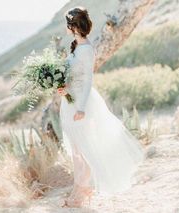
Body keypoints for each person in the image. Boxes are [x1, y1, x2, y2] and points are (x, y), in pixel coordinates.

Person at [58, 6, 145, 208]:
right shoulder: (76, 46)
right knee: (77, 149)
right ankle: (80, 190)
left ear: (73, 26)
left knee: (85, 147)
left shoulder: (86, 49)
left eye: (67, 24)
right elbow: (73, 75)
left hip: (82, 102)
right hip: (70, 99)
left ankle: (81, 191)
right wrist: (63, 87)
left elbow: (88, 80)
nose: (65, 28)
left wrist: (81, 108)